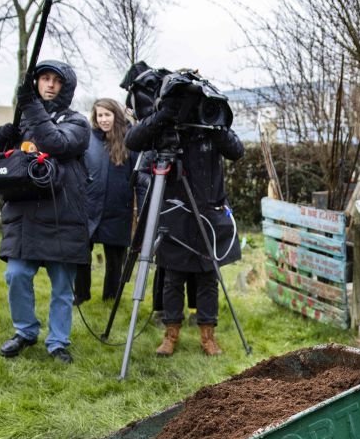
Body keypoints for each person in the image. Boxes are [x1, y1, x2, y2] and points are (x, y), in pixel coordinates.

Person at [125, 76, 244, 356]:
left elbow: (236, 150)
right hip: (174, 211)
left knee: (207, 279)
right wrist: (164, 113)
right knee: (173, 278)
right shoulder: (167, 125)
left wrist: (215, 124)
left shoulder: (210, 124)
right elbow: (134, 140)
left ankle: (208, 337)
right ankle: (170, 335)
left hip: (207, 212)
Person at [0, 60, 91, 364]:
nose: (48, 85)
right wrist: (2, 136)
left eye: (56, 81)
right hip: (26, 216)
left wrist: (31, 109)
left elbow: (55, 142)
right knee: (16, 273)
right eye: (43, 79)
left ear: (65, 86)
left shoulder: (78, 122)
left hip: (64, 216)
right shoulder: (25, 121)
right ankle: (25, 331)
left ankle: (58, 341)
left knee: (62, 286)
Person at [73, 98, 145, 304]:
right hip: (89, 206)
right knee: (82, 254)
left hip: (118, 209)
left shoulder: (130, 140)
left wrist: (141, 209)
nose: (104, 119)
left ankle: (111, 297)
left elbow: (139, 179)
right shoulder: (87, 140)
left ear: (116, 115)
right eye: (100, 115)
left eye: (107, 114)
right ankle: (81, 294)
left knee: (115, 258)